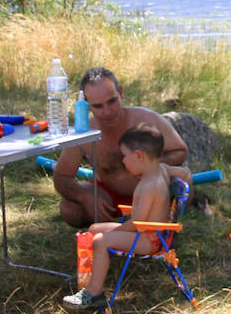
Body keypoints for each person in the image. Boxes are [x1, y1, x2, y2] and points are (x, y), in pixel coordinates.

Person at [61, 124, 192, 312]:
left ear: (139, 156)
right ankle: (87, 277)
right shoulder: (161, 169)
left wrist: (112, 232)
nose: (123, 161)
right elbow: (184, 173)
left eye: (125, 156)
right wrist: (181, 187)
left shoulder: (149, 186)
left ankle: (94, 293)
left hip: (149, 240)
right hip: (149, 232)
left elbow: (136, 224)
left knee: (100, 240)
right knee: (93, 229)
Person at [52, 67, 187, 226]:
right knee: (69, 209)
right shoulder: (84, 133)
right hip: (111, 196)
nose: (107, 112)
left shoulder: (146, 119)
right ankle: (117, 222)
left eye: (112, 101)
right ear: (87, 106)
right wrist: (86, 197)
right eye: (98, 106)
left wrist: (153, 167)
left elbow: (180, 151)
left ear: (121, 93)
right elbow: (61, 177)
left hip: (154, 194)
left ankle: (163, 220)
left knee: (185, 179)